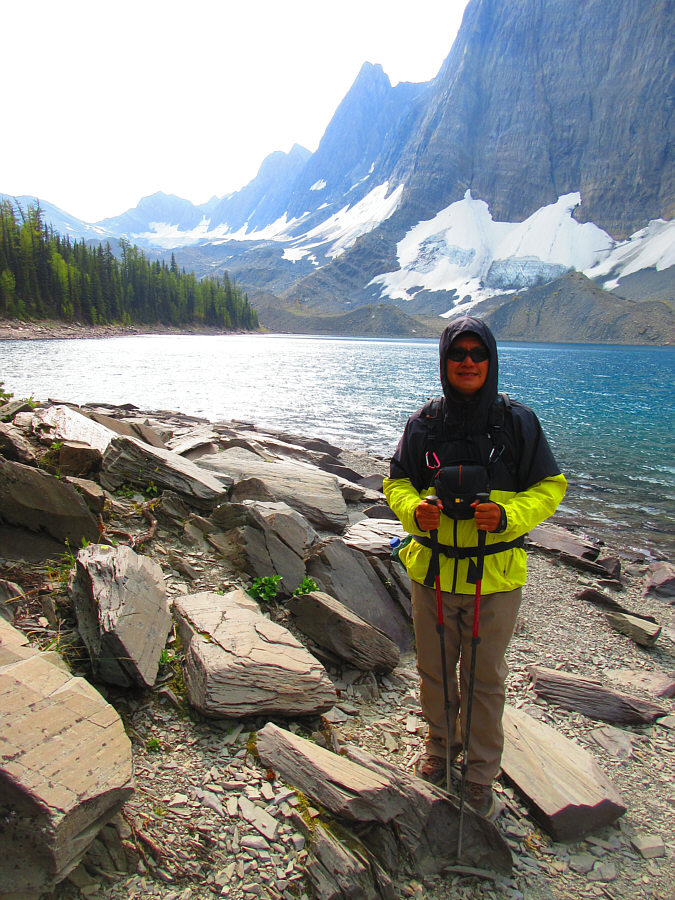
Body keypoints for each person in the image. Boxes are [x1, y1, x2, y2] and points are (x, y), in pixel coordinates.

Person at [383, 317, 566, 819]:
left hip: (495, 578)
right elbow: (395, 482)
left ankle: (481, 772)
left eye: (477, 353)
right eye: (457, 353)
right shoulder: (423, 424)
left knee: (485, 679)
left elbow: (550, 487)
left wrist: (508, 517)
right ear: (445, 361)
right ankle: (442, 750)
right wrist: (413, 510)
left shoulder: (518, 423)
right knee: (435, 670)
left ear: (491, 361)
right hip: (434, 575)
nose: (467, 362)